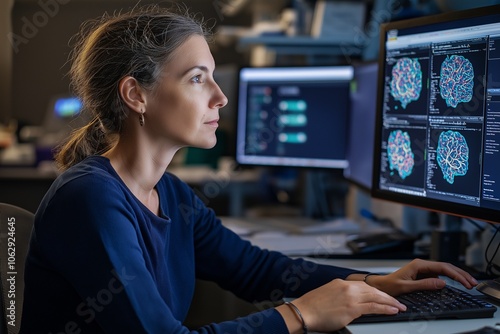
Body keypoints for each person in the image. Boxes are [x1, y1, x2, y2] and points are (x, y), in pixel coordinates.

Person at [20, 4, 478, 334]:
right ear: (136, 95)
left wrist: (370, 281)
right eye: (197, 78)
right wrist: (302, 314)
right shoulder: (91, 198)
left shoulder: (171, 194)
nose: (220, 97)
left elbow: (256, 269)